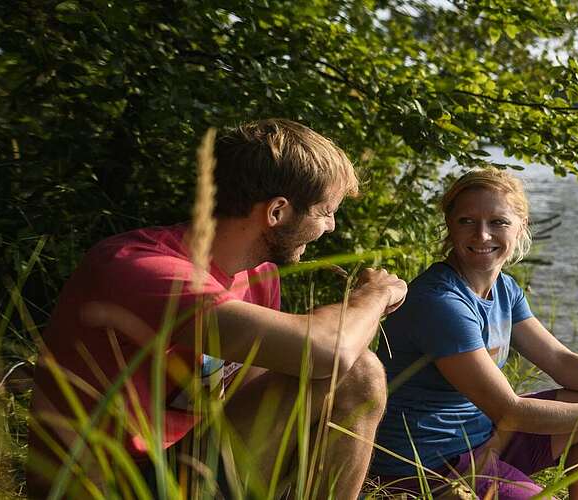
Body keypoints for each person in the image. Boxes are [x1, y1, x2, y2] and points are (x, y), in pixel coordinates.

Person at [25, 119, 408, 499]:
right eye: (326, 211)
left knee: (353, 376)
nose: (331, 226)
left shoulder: (260, 276)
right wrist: (371, 297)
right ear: (277, 211)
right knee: (358, 368)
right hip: (104, 488)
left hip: (181, 468)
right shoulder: (142, 270)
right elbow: (331, 351)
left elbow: (262, 392)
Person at [369, 168, 578, 499]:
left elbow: (560, 360)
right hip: (425, 467)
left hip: (485, 439)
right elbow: (510, 410)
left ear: (521, 226)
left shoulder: (504, 289)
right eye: (467, 221)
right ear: (449, 226)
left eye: (498, 222)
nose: (482, 235)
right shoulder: (439, 302)